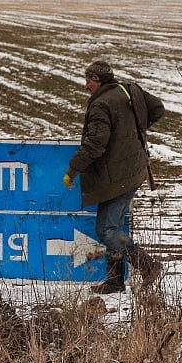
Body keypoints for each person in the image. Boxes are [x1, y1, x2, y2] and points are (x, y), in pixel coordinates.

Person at [64, 60, 164, 294]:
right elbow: (158, 108)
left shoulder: (100, 105)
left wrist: (72, 171)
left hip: (118, 175)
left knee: (107, 230)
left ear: (98, 81)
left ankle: (148, 265)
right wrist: (134, 133)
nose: (86, 85)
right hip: (135, 168)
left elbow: (96, 145)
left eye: (88, 80)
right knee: (114, 227)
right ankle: (115, 281)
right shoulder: (129, 90)